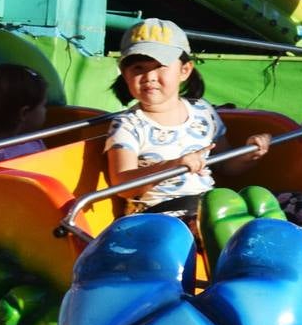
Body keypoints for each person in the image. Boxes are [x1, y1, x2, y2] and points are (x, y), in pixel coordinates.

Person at [105, 19, 271, 222]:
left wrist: (250, 154)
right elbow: (122, 184)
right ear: (124, 73)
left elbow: (226, 166)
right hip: (161, 217)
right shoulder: (128, 124)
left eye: (160, 67)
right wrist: (172, 166)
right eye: (138, 68)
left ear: (185, 70)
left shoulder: (203, 111)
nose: (149, 76)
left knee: (289, 203)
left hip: (208, 206)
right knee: (225, 224)